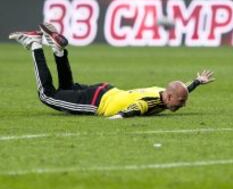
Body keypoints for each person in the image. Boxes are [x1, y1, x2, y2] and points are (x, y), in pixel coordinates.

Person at [9, 23, 215, 119]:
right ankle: (35, 45)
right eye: (180, 102)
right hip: (96, 103)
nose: (182, 105)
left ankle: (58, 51)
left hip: (105, 90)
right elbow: (132, 111)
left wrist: (196, 82)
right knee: (47, 95)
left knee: (66, 88)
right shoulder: (154, 101)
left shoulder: (163, 92)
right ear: (169, 97)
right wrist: (114, 120)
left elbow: (180, 91)